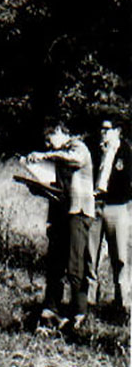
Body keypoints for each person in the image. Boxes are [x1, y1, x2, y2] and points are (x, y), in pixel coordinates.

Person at [27, 120, 95, 330]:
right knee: (55, 263)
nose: (48, 145)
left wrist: (45, 155)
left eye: (50, 140)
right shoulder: (59, 153)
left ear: (59, 131)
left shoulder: (77, 146)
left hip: (78, 212)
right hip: (61, 213)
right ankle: (51, 309)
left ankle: (79, 313)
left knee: (75, 265)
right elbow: (57, 187)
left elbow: (75, 160)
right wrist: (38, 187)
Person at [87, 115, 131, 315]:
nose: (103, 133)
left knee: (119, 257)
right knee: (90, 256)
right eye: (101, 129)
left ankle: (122, 302)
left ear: (117, 131)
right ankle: (88, 302)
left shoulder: (126, 151)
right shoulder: (94, 150)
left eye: (107, 129)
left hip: (117, 208)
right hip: (95, 207)